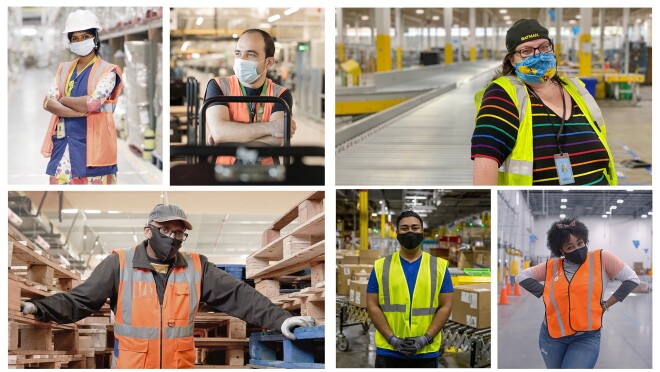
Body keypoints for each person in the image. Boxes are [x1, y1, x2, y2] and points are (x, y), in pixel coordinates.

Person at [20, 203, 315, 368]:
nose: (173, 238)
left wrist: (283, 319)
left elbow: (239, 296)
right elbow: (79, 301)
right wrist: (38, 306)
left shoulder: (197, 267)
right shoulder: (119, 264)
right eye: (165, 231)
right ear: (148, 231)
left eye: (179, 233)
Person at [471, 19, 617, 186]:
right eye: (526, 51)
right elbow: (485, 161)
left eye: (544, 47)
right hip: (539, 206)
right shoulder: (503, 95)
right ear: (512, 60)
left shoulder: (576, 89)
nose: (538, 55)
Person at [516, 218, 640, 368]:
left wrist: (606, 304)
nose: (577, 249)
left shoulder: (602, 259)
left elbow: (632, 279)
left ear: (585, 240)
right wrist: (545, 292)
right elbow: (521, 277)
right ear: (561, 250)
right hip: (552, 336)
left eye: (580, 243)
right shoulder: (552, 266)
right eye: (570, 247)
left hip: (586, 336)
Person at [41, 10, 123, 185]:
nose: (79, 42)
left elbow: (93, 103)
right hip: (64, 149)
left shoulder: (108, 71)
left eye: (85, 36)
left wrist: (63, 100)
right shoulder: (64, 69)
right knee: (59, 191)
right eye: (75, 38)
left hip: (95, 151)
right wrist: (77, 112)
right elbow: (47, 102)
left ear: (95, 38)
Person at [366, 211, 453, 368]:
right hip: (389, 351)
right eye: (405, 228)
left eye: (415, 227)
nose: (410, 232)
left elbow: (446, 306)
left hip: (426, 351)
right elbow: (372, 305)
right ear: (397, 232)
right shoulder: (381, 266)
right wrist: (392, 339)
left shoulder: (439, 267)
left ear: (422, 232)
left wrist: (425, 338)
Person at [204, 28, 297, 165]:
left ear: (269, 62)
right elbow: (219, 132)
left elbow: (278, 139)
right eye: (238, 53)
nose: (242, 59)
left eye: (251, 54)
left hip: (266, 173)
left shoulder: (280, 95)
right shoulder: (218, 86)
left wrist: (228, 138)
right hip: (222, 172)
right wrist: (271, 128)